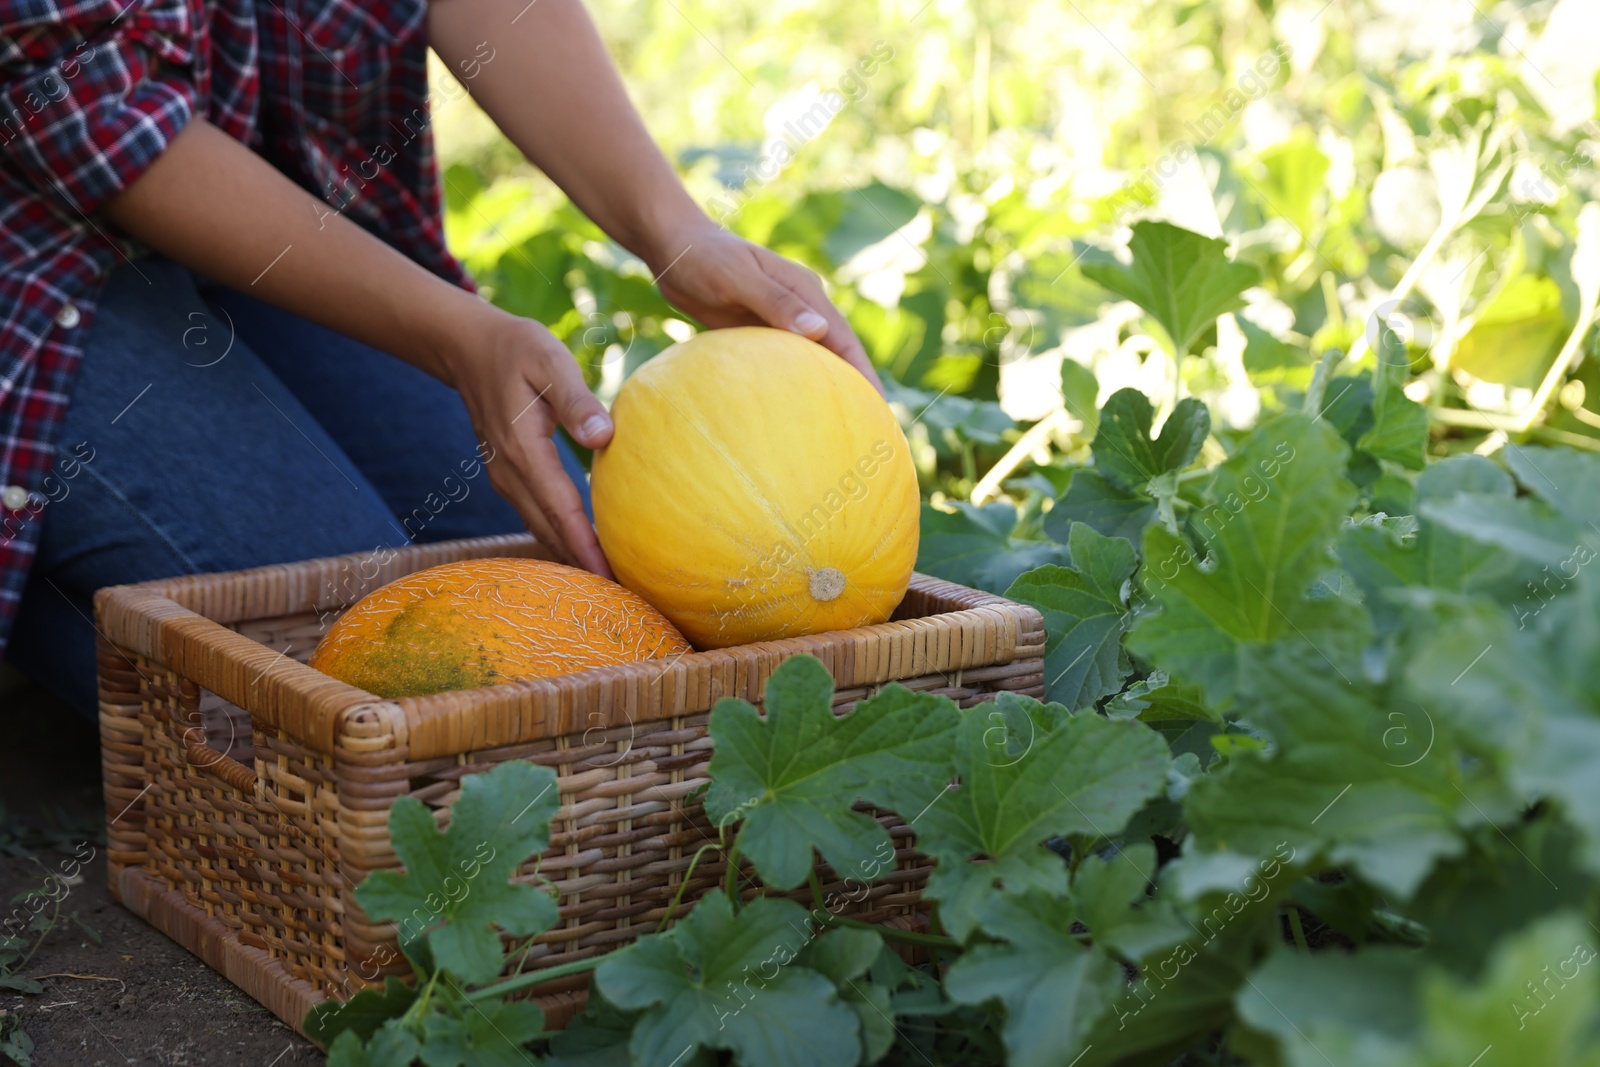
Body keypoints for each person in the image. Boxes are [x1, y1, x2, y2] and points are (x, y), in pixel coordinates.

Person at [0, 0, 880, 719]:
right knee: (356, 689)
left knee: (565, 594)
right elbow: (84, 109)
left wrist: (677, 231)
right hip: (33, 261)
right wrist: (460, 338)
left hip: (249, 226)